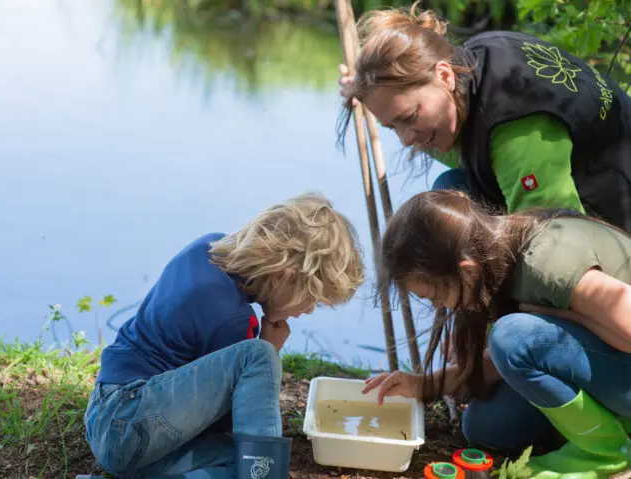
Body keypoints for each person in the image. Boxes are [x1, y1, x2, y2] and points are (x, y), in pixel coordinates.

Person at [83, 192, 364, 479]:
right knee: (258, 374)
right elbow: (227, 418)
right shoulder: (230, 318)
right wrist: (269, 347)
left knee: (238, 460)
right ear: (284, 276)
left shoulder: (210, 247)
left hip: (113, 421)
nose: (308, 311)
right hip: (132, 420)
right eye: (312, 299)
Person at [363, 189, 631, 478]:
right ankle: (601, 427)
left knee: (510, 335)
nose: (439, 306)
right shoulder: (494, 260)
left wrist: (555, 314)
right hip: (610, 365)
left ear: (466, 271)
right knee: (483, 427)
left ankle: (609, 453)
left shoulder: (544, 261)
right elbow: (510, 361)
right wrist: (424, 385)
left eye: (435, 297)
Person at [337, 2, 631, 232]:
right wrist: (367, 90)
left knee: (516, 307)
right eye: (392, 127)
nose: (404, 139)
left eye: (410, 117)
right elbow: (472, 143)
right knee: (451, 189)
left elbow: (561, 245)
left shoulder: (517, 126)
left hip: (611, 228)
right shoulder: (477, 58)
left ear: (444, 75)